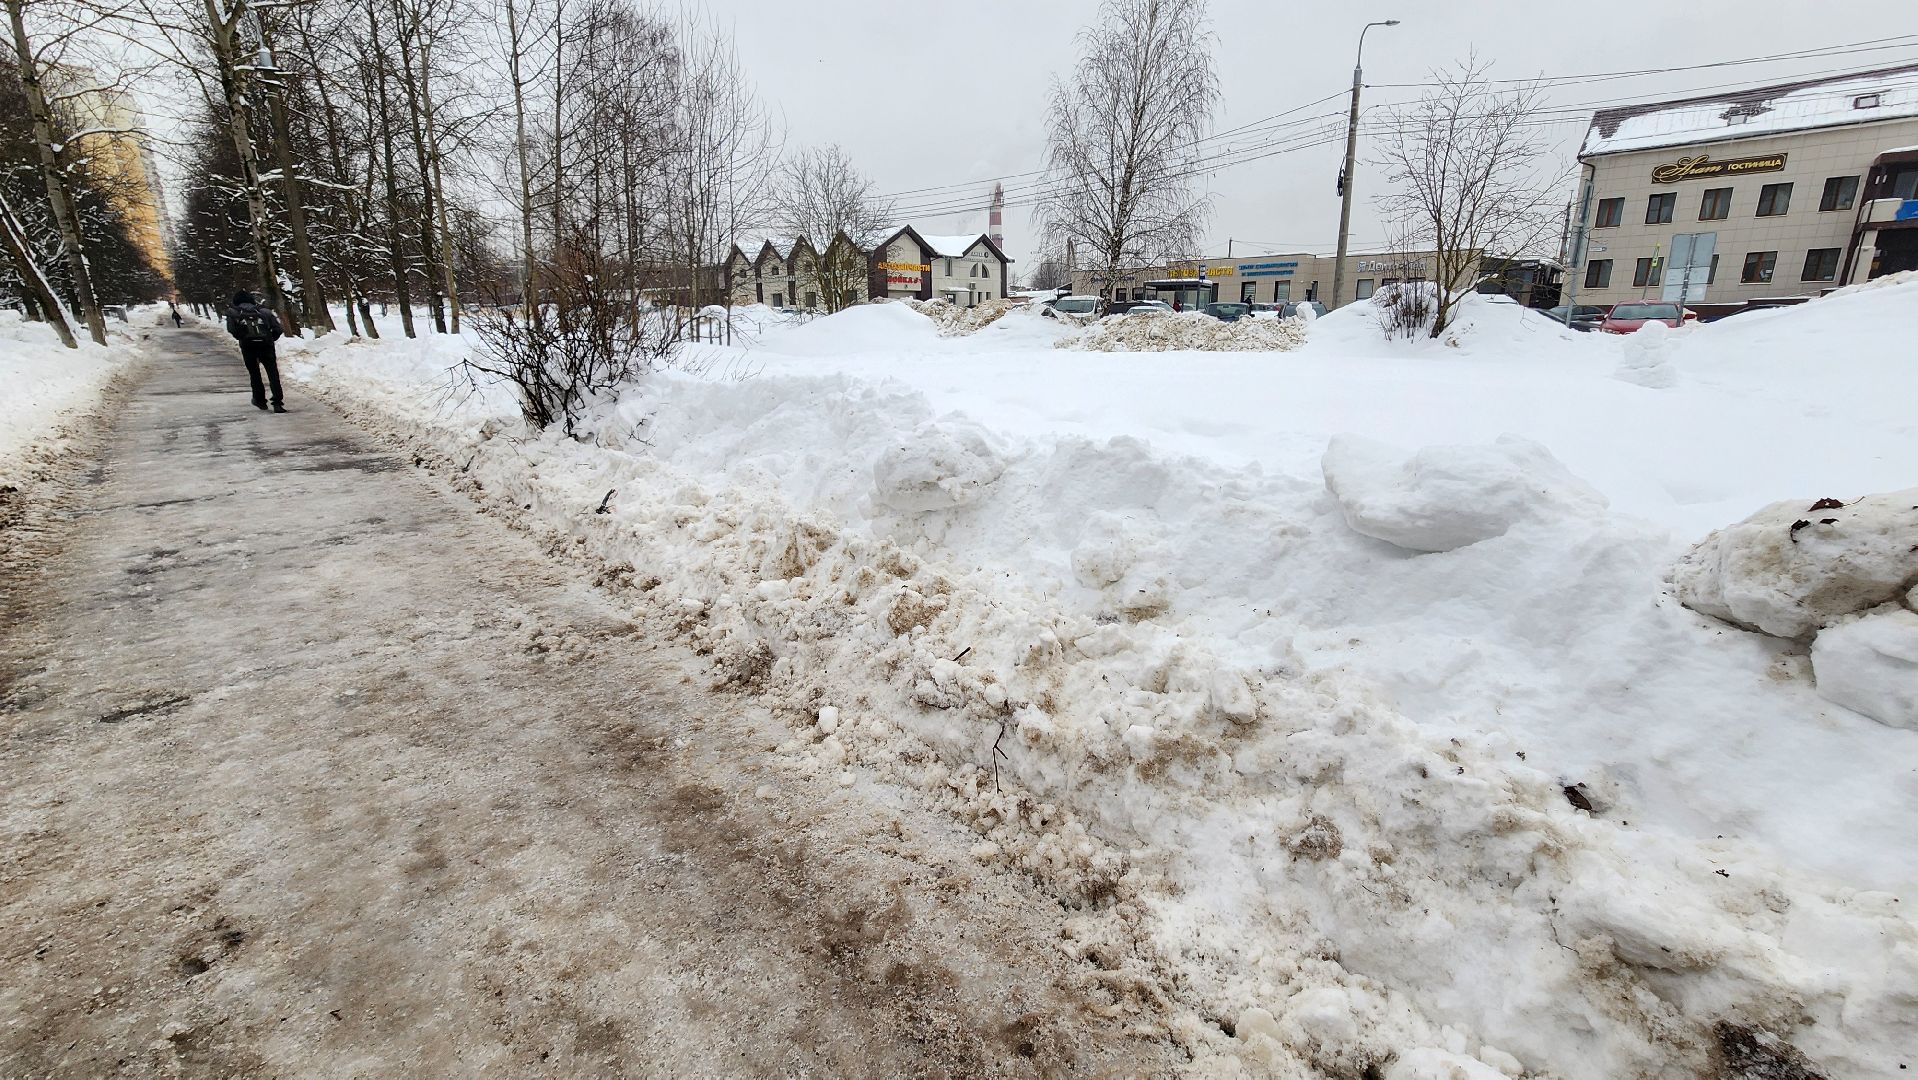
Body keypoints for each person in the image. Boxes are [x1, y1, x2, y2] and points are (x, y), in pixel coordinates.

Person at [225, 291, 286, 413]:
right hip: (266, 346)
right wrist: (269, 339)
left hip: (248, 347)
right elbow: (278, 329)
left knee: (255, 374)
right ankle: (277, 403)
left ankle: (260, 400)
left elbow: (231, 329)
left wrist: (242, 338)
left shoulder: (233, 312)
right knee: (273, 374)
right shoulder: (264, 312)